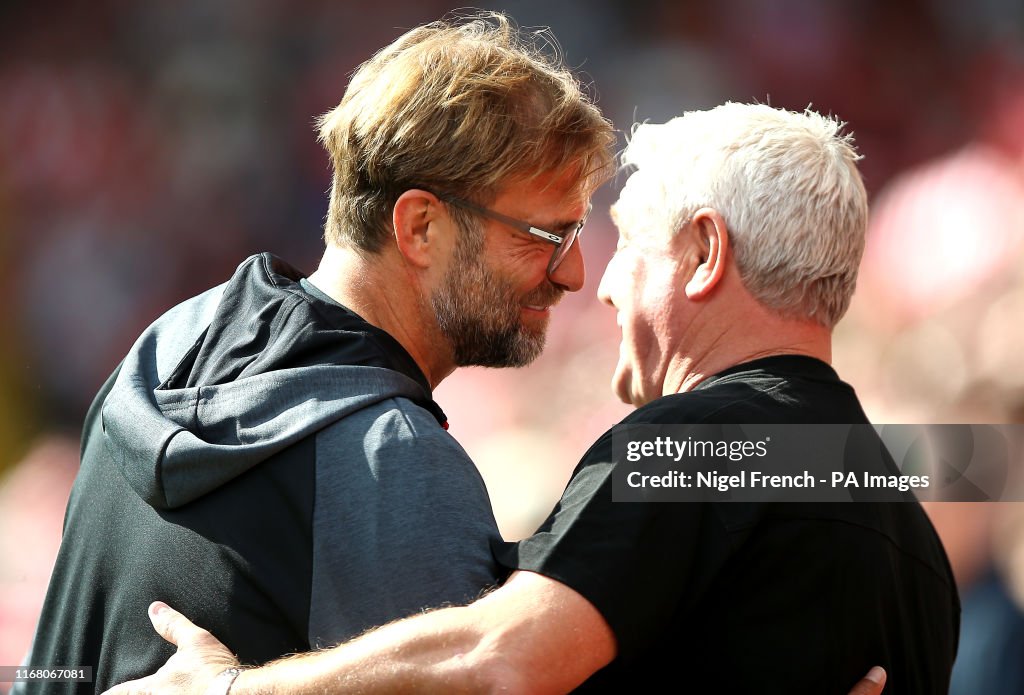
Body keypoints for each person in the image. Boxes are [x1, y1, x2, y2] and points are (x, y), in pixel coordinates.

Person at [103, 104, 957, 694]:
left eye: (625, 242)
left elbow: (497, 657)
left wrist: (232, 686)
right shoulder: (908, 527)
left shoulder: (703, 443)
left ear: (703, 254)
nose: (598, 282)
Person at [18, 12, 615, 692]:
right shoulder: (393, 460)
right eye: (544, 235)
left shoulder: (163, 349)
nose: (571, 274)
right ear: (421, 226)